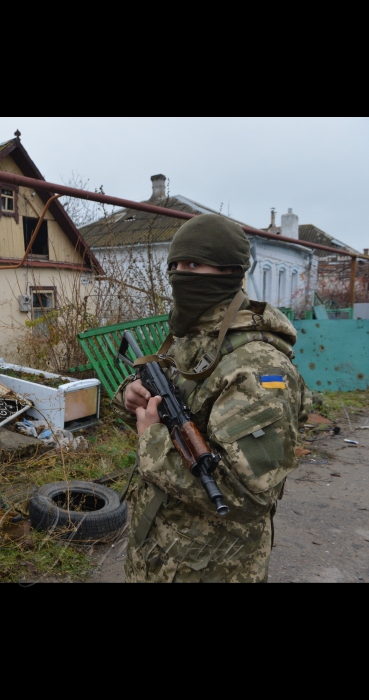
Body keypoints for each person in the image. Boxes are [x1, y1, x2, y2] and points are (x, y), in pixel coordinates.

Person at [113, 215, 312, 584]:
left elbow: (247, 497)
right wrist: (131, 396)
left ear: (229, 271)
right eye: (174, 265)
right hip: (162, 556)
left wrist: (151, 439)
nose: (178, 275)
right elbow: (165, 400)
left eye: (191, 265)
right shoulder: (195, 338)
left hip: (215, 567)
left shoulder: (258, 368)